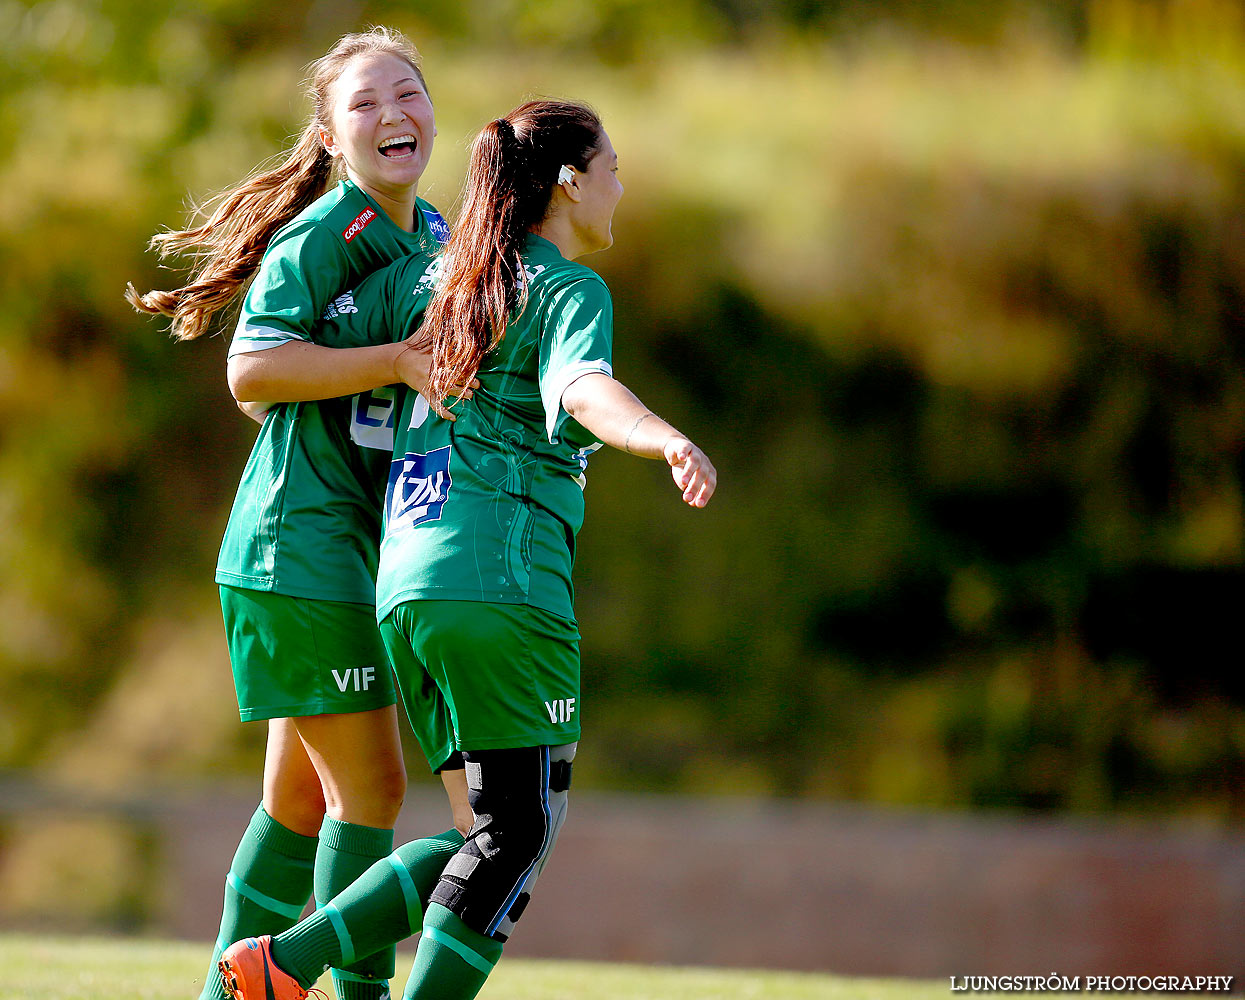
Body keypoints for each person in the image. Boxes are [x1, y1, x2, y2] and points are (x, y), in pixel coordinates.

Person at [217, 98, 716, 1000]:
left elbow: (303, 341)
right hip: (500, 584)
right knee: (515, 833)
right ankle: (284, 962)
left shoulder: (434, 277)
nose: (620, 187)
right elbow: (581, 385)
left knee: (484, 830)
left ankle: (279, 962)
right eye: (611, 167)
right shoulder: (566, 287)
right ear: (569, 182)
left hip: (403, 583)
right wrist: (659, 436)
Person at [126, 27, 472, 1000]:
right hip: (298, 547)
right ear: (328, 133)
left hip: (349, 553)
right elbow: (252, 371)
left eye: (408, 91)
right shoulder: (325, 234)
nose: (393, 113)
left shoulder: (438, 233)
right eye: (364, 102)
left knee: (298, 799)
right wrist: (396, 360)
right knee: (374, 792)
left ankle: (226, 992)